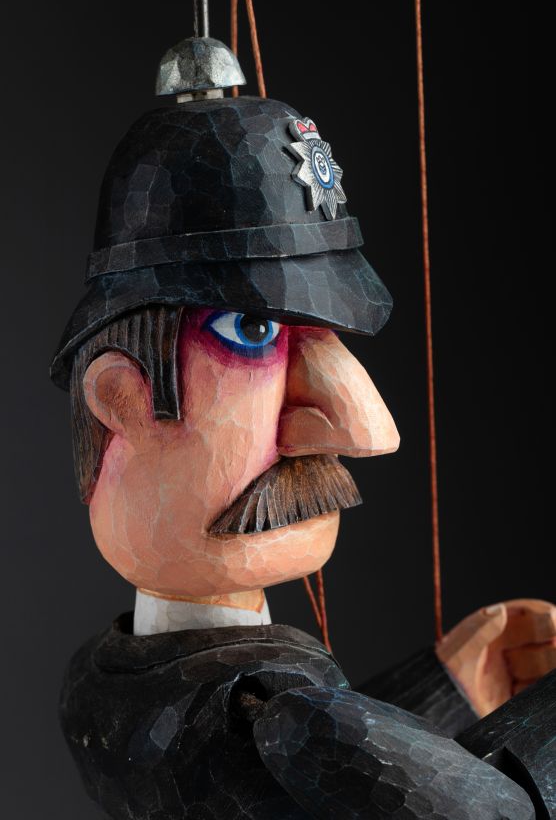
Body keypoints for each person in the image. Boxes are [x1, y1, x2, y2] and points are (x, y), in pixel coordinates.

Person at [51, 89, 554, 819]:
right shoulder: (278, 719)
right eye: (253, 331)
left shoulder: (96, 685)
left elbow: (290, 775)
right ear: (122, 397)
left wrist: (446, 686)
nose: (364, 430)